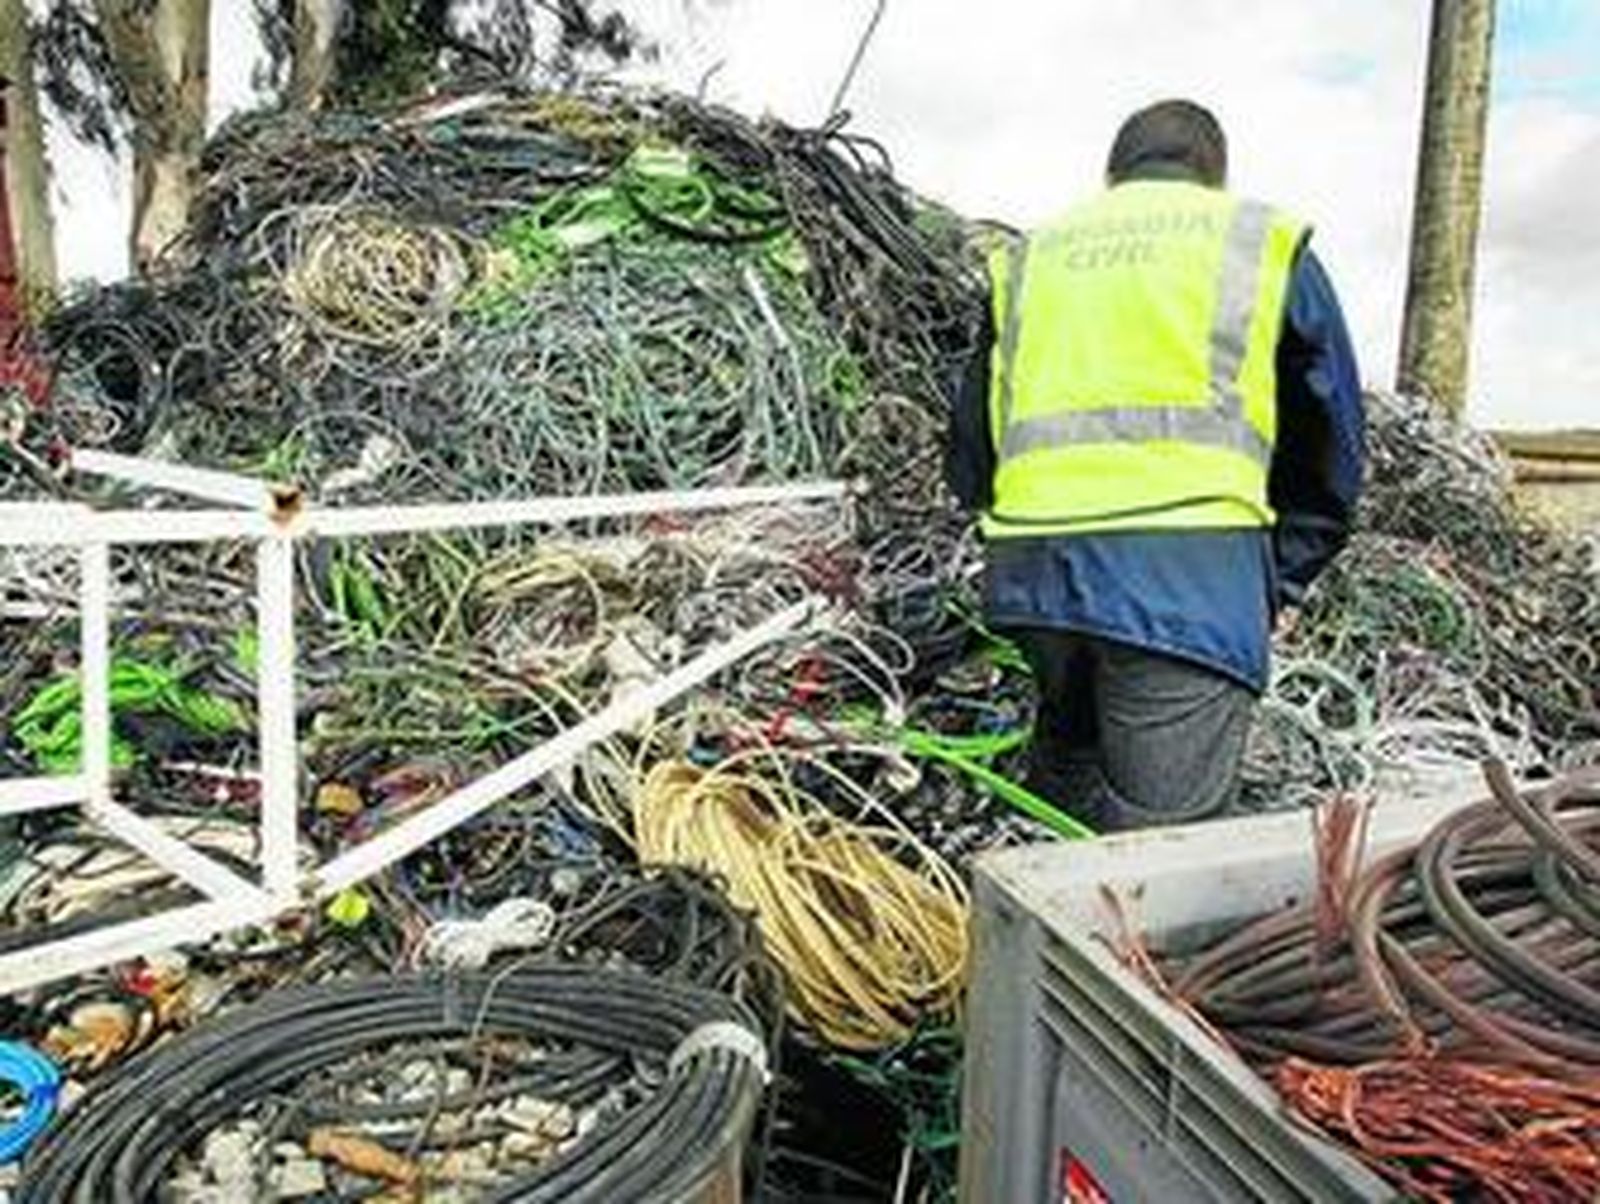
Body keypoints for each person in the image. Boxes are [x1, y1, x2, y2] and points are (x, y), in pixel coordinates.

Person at [946, 99, 1364, 831]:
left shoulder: (1034, 256)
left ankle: (1034, 934)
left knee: (1060, 809)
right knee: (1161, 859)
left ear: (1113, 175)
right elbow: (1329, 436)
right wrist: (1283, 574)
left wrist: (1014, 532)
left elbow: (973, 440)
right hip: (1187, 579)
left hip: (1033, 573)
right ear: (1214, 174)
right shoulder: (1256, 241)